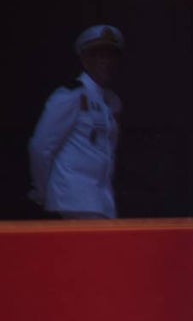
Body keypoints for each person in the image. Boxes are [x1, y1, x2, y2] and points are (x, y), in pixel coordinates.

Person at [28, 24, 125, 218]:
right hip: (71, 201)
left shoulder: (111, 101)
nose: (105, 62)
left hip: (101, 202)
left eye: (109, 56)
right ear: (85, 60)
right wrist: (43, 192)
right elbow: (41, 148)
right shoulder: (70, 95)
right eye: (97, 56)